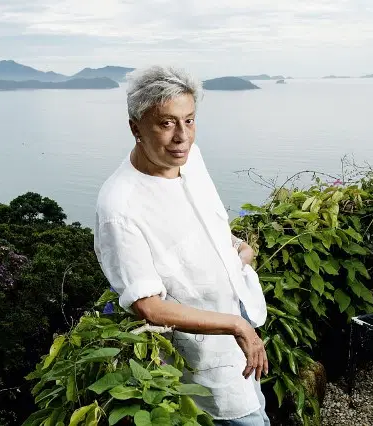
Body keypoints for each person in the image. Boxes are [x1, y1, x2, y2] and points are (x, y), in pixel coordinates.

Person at [93, 65, 270, 425]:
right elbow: (149, 307)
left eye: (189, 121)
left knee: (256, 404)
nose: (182, 137)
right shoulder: (120, 207)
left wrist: (237, 248)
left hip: (243, 321)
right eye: (167, 123)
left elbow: (204, 222)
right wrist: (236, 325)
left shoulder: (191, 157)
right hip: (205, 362)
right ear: (135, 127)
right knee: (245, 417)